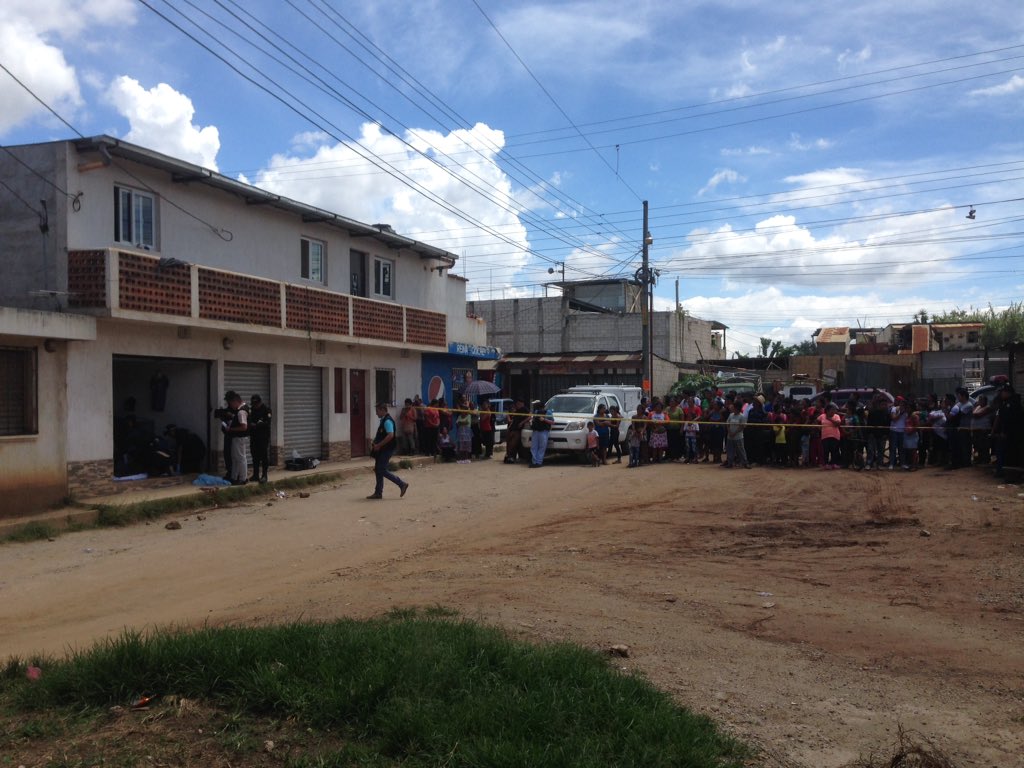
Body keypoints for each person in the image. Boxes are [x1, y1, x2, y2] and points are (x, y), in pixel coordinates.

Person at [367, 402, 409, 499]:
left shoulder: (387, 421)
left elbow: (390, 435)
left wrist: (378, 445)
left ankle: (401, 484)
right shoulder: (384, 420)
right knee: (378, 469)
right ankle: (378, 492)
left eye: (377, 411)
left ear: (382, 410)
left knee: (381, 469)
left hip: (386, 449)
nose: (376, 413)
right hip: (382, 449)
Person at [222, 391, 249, 485]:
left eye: (230, 403)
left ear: (235, 401)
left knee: (240, 458)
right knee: (235, 458)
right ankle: (234, 477)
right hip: (237, 437)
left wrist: (231, 429)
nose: (231, 406)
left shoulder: (241, 411)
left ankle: (243, 478)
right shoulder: (242, 409)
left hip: (239, 437)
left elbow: (244, 426)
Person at [248, 394, 272, 483]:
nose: (255, 405)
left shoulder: (266, 410)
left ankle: (264, 475)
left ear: (260, 402)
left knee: (263, 456)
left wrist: (257, 425)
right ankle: (255, 475)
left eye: (256, 404)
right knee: (255, 456)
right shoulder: (252, 410)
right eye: (253, 404)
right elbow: (249, 420)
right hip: (254, 436)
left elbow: (267, 422)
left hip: (263, 437)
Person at [724, 400, 750, 469]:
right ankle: (730, 463)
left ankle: (745, 463)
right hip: (730, 436)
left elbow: (742, 427)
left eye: (734, 407)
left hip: (738, 437)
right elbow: (727, 424)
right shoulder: (731, 415)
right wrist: (729, 432)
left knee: (741, 450)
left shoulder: (742, 416)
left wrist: (734, 433)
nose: (732, 408)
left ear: (737, 408)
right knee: (730, 450)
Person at [529, 399, 553, 468]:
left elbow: (553, 422)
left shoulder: (548, 412)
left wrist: (544, 420)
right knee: (534, 447)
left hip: (544, 431)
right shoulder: (535, 412)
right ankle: (534, 462)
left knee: (541, 447)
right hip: (536, 431)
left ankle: (538, 462)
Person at [505, 398, 528, 464]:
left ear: (522, 404)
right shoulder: (516, 410)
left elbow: (529, 416)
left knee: (513, 444)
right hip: (511, 428)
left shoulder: (524, 409)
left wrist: (522, 423)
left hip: (517, 430)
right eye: (517, 404)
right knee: (509, 443)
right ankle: (508, 456)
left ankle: (511, 456)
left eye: (519, 404)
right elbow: (513, 420)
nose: (517, 405)